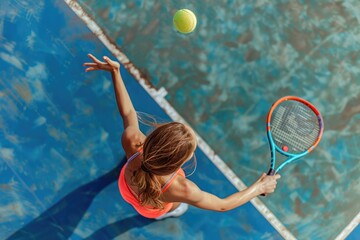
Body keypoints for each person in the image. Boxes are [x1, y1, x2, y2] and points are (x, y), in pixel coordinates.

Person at [83, 54, 281, 220]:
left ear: (153, 139)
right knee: (175, 205)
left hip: (125, 185)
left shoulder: (132, 141)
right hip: (149, 208)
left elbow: (128, 114)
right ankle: (172, 212)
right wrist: (260, 186)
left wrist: (116, 72)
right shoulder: (182, 190)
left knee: (135, 164)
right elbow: (222, 205)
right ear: (180, 162)